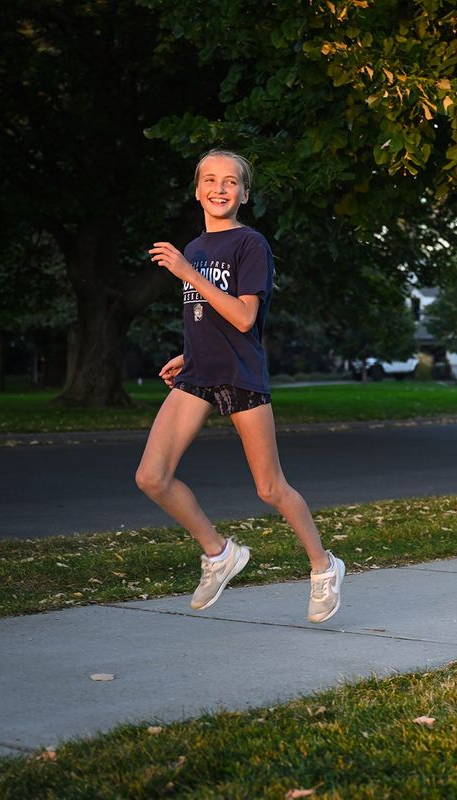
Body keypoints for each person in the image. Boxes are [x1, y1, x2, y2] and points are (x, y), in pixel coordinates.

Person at [136, 149, 345, 623]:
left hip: (242, 376)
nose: (219, 188)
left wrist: (187, 275)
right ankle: (219, 553)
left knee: (270, 488)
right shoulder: (194, 249)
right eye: (210, 180)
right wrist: (188, 355)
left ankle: (324, 566)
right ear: (197, 190)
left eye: (231, 182)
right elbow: (205, 318)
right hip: (198, 376)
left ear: (244, 194)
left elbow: (245, 317)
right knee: (151, 477)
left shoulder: (250, 245)